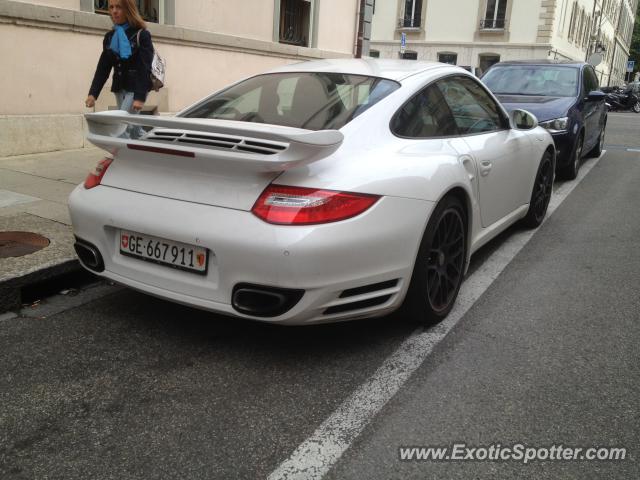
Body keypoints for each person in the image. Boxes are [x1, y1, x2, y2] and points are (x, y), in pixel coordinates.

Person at [85, 0, 154, 139]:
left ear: (128, 9)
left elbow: (144, 67)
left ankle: (122, 155)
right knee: (133, 127)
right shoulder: (110, 37)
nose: (114, 11)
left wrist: (140, 96)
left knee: (120, 126)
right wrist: (93, 93)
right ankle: (153, 146)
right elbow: (103, 67)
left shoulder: (142, 35)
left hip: (135, 88)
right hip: (119, 87)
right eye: (111, 7)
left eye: (119, 7)